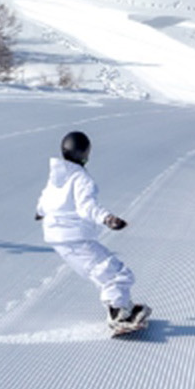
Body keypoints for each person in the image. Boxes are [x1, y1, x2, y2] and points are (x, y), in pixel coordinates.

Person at [35, 130, 149, 330]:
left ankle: (123, 306)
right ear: (84, 153)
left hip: (56, 237)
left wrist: (40, 211)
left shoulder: (57, 176)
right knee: (116, 272)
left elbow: (46, 199)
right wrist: (107, 219)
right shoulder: (81, 178)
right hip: (74, 236)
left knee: (102, 273)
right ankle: (118, 314)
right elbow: (86, 207)